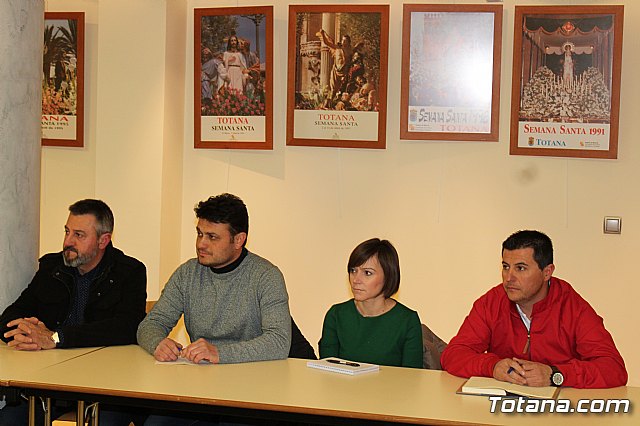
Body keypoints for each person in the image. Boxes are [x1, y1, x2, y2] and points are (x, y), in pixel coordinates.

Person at [0, 199, 147, 425]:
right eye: (67, 231)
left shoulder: (129, 272)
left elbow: (128, 327)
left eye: (79, 235)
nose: (68, 242)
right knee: (8, 419)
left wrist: (57, 337)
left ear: (103, 240)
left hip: (106, 385)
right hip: (48, 382)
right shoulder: (51, 267)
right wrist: (22, 333)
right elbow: (11, 315)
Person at [441, 230, 627, 389]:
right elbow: (453, 355)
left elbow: (613, 369)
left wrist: (555, 374)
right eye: (506, 267)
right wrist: (492, 366)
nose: (508, 278)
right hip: (501, 410)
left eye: (521, 268)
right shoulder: (491, 302)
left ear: (547, 272)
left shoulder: (573, 307)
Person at [319, 238, 423, 368]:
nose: (356, 279)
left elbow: (412, 378)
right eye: (353, 270)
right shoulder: (336, 315)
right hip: (342, 388)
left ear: (388, 276)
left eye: (367, 273)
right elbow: (327, 370)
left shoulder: (407, 320)